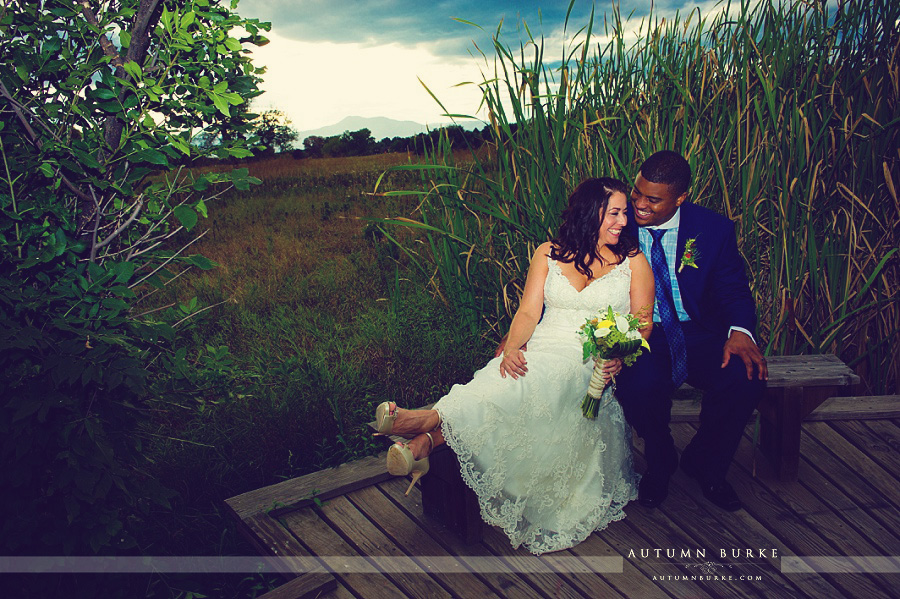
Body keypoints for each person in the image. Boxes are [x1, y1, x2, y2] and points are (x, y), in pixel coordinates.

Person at [373, 177, 655, 555]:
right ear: (591, 213)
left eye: (624, 213)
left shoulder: (633, 262)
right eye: (615, 213)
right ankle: (425, 441)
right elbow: (527, 311)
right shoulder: (549, 253)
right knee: (503, 377)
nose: (623, 221)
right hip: (543, 344)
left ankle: (426, 426)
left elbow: (643, 320)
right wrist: (512, 348)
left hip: (587, 359)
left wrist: (617, 352)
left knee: (533, 383)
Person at [615, 150, 767, 513]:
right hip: (645, 332)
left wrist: (741, 331)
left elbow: (733, 288)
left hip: (699, 332)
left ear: (681, 198)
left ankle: (707, 463)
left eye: (653, 199)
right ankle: (661, 458)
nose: (639, 204)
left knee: (744, 377)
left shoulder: (713, 229)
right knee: (638, 387)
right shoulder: (617, 226)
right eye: (637, 193)